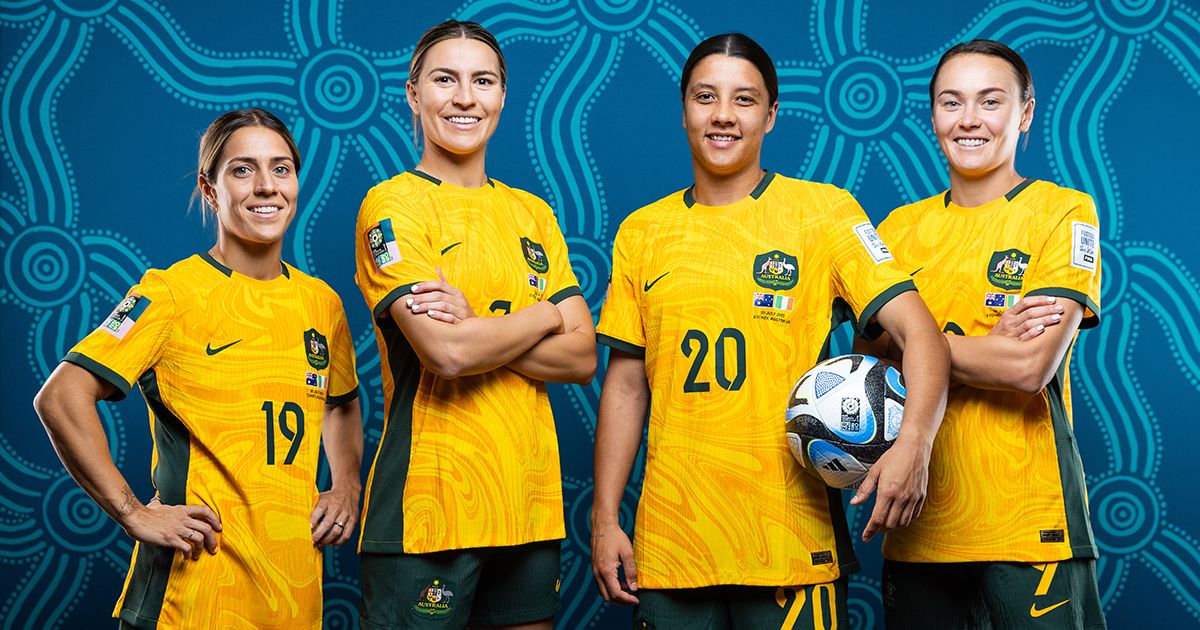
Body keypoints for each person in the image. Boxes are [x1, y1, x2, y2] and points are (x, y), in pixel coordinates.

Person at [590, 33, 950, 629]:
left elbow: (922, 336)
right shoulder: (642, 232)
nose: (724, 115)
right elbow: (627, 387)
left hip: (789, 539)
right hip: (673, 542)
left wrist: (913, 445)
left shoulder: (824, 212)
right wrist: (605, 520)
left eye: (745, 99)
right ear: (684, 109)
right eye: (706, 96)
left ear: (771, 114)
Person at [32, 107, 363, 628]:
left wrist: (346, 484)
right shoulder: (168, 293)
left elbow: (340, 405)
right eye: (241, 169)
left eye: (280, 168)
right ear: (211, 190)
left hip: (295, 598)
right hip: (191, 601)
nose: (265, 186)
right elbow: (60, 397)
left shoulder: (322, 303)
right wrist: (132, 511)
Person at [352, 20, 596, 629]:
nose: (465, 97)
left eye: (482, 81)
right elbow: (448, 353)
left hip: (530, 505)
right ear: (413, 95)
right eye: (445, 80)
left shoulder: (531, 213)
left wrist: (483, 324)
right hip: (429, 508)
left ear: (502, 96)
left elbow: (583, 357)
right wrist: (543, 316)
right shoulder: (393, 206)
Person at [857, 40, 1107, 629]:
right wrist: (981, 345)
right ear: (934, 117)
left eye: (989, 101)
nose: (969, 119)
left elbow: (1028, 369)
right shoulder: (899, 228)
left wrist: (916, 342)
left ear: (1024, 114)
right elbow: (867, 370)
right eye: (952, 102)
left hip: (1027, 527)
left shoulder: (1063, 213)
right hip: (916, 527)